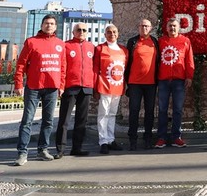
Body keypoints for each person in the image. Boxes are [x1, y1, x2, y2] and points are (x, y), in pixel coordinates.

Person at [13, 14, 66, 166]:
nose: (49, 26)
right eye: (46, 23)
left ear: (55, 27)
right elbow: (21, 65)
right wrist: (18, 84)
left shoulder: (60, 44)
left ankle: (43, 149)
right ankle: (22, 152)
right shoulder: (31, 42)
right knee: (27, 121)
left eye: (52, 23)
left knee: (48, 121)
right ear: (42, 25)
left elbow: (63, 67)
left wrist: (61, 86)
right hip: (33, 87)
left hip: (52, 88)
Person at [55, 23, 95, 158]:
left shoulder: (91, 47)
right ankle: (60, 149)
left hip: (86, 87)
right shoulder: (66, 46)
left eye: (84, 30)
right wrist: (61, 86)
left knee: (81, 120)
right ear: (73, 32)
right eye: (79, 30)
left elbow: (94, 68)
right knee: (64, 120)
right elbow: (61, 67)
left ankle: (77, 148)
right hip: (70, 87)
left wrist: (93, 85)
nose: (81, 32)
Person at [155, 18, 194, 148]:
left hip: (179, 80)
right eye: (170, 26)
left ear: (179, 28)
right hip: (163, 80)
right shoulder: (161, 42)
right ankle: (162, 137)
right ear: (166, 28)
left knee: (177, 110)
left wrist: (189, 76)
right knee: (162, 109)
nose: (172, 28)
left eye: (174, 26)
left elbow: (189, 60)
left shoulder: (185, 41)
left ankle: (176, 136)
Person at [124, 19, 160, 150]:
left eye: (147, 26)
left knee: (149, 112)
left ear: (150, 28)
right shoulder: (133, 42)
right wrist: (126, 82)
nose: (144, 28)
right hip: (135, 84)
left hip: (151, 83)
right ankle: (132, 140)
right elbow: (127, 62)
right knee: (134, 112)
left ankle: (148, 139)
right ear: (138, 28)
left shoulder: (155, 42)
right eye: (142, 26)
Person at [93, 24, 127, 154]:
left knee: (112, 114)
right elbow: (95, 69)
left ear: (118, 34)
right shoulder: (100, 49)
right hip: (104, 86)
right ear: (105, 34)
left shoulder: (124, 50)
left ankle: (111, 139)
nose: (112, 34)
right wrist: (95, 87)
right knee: (103, 114)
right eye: (109, 32)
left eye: (114, 32)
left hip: (117, 87)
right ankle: (103, 141)